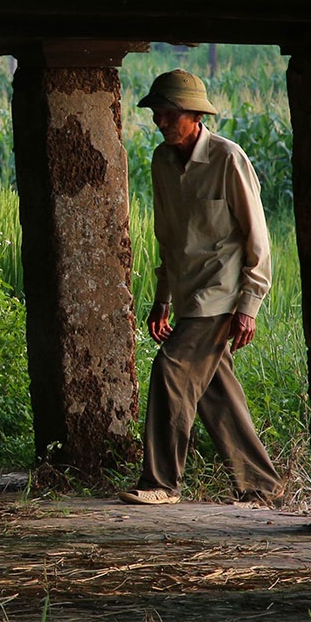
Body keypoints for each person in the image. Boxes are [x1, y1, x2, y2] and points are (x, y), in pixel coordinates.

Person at [122, 68, 283, 507]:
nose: (161, 121)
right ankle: (261, 485)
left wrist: (249, 304)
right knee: (215, 392)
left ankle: (160, 483)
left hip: (221, 293)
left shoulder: (228, 159)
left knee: (170, 370)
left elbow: (257, 239)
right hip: (188, 293)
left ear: (196, 115)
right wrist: (161, 300)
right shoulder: (161, 161)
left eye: (170, 113)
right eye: (158, 113)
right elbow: (169, 238)